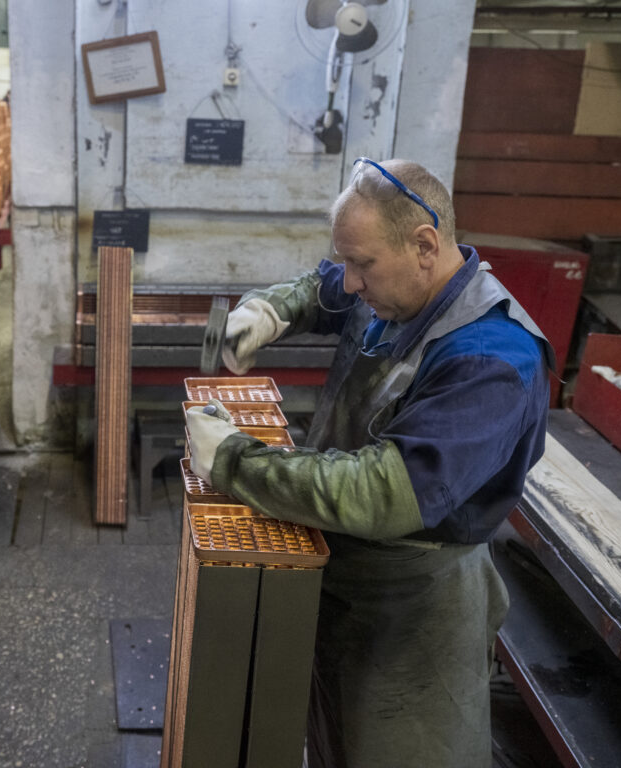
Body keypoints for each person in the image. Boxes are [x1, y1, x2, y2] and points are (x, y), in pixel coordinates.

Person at [185, 158, 553, 768]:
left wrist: (234, 459)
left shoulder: (491, 360)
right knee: (331, 739)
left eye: (363, 264)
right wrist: (270, 310)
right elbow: (323, 288)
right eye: (348, 261)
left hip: (414, 608)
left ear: (425, 246)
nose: (351, 281)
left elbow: (384, 492)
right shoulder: (395, 287)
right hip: (343, 570)